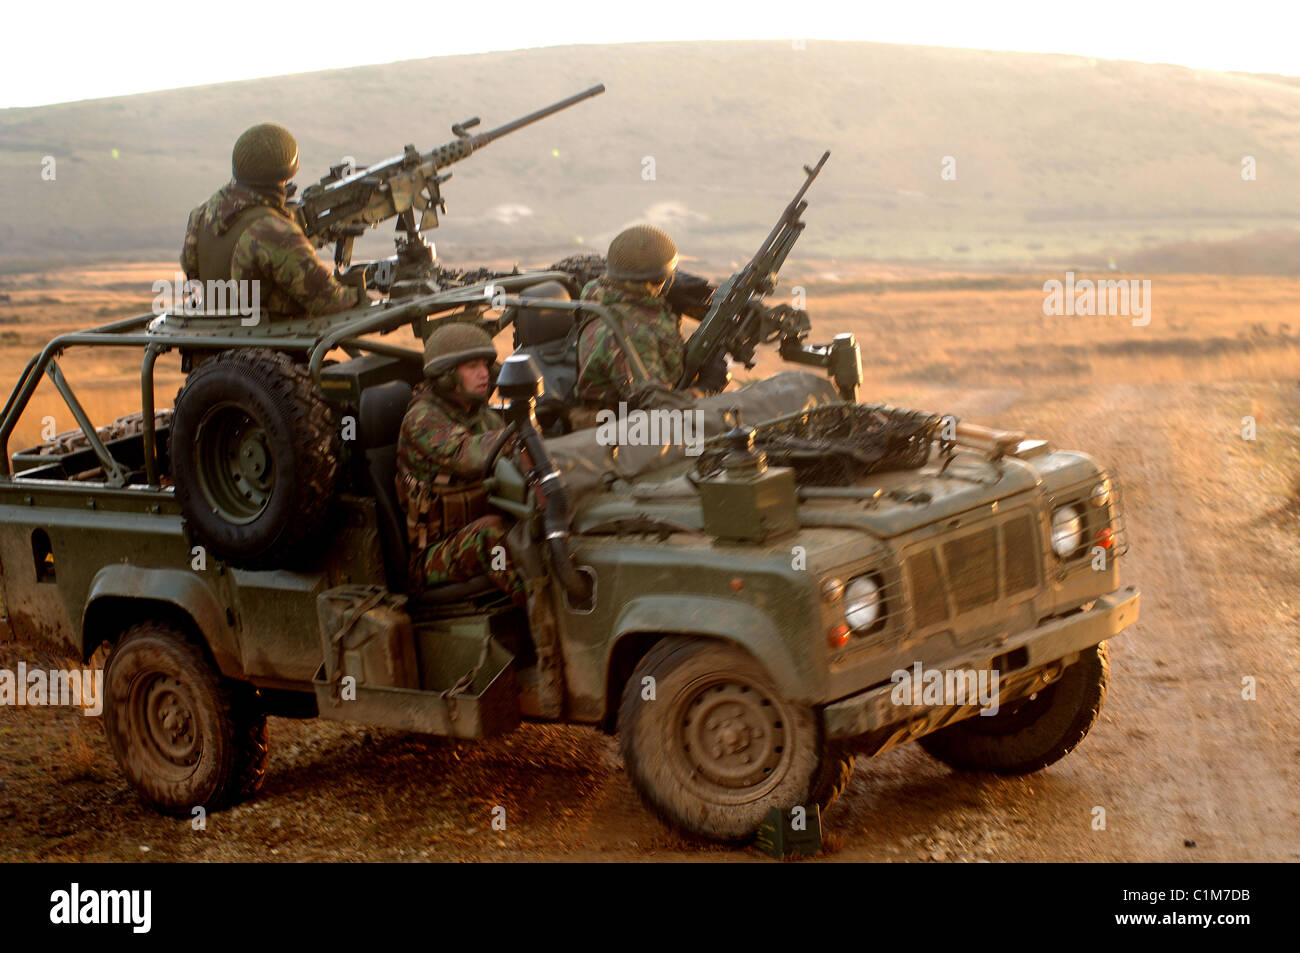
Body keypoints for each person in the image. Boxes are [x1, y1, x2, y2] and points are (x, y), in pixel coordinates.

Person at [395, 322, 525, 605]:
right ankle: (539, 619)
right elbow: (469, 456)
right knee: (493, 535)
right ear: (447, 376)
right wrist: (519, 436)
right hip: (431, 556)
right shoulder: (421, 419)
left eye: (485, 365)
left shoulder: (480, 415)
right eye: (472, 367)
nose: (484, 374)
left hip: (469, 532)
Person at [181, 122, 365, 321]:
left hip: (209, 346)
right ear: (289, 168)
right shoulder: (272, 230)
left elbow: (195, 280)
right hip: (266, 347)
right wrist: (360, 289)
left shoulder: (199, 216)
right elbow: (330, 301)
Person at [575, 225, 727, 406]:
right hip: (618, 426)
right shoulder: (631, 333)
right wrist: (705, 388)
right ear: (656, 280)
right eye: (666, 278)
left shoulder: (604, 292)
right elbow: (660, 411)